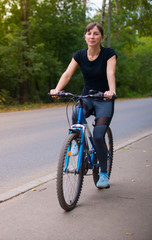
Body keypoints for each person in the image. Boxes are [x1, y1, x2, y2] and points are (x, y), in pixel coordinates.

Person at [50, 22, 117, 189]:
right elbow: (67, 74)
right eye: (89, 33)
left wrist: (111, 90)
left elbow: (110, 72)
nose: (92, 36)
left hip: (104, 98)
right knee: (76, 115)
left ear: (101, 37)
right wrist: (57, 89)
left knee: (99, 135)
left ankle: (103, 173)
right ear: (85, 36)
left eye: (95, 34)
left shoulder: (108, 53)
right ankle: (79, 146)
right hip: (87, 96)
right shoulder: (79, 55)